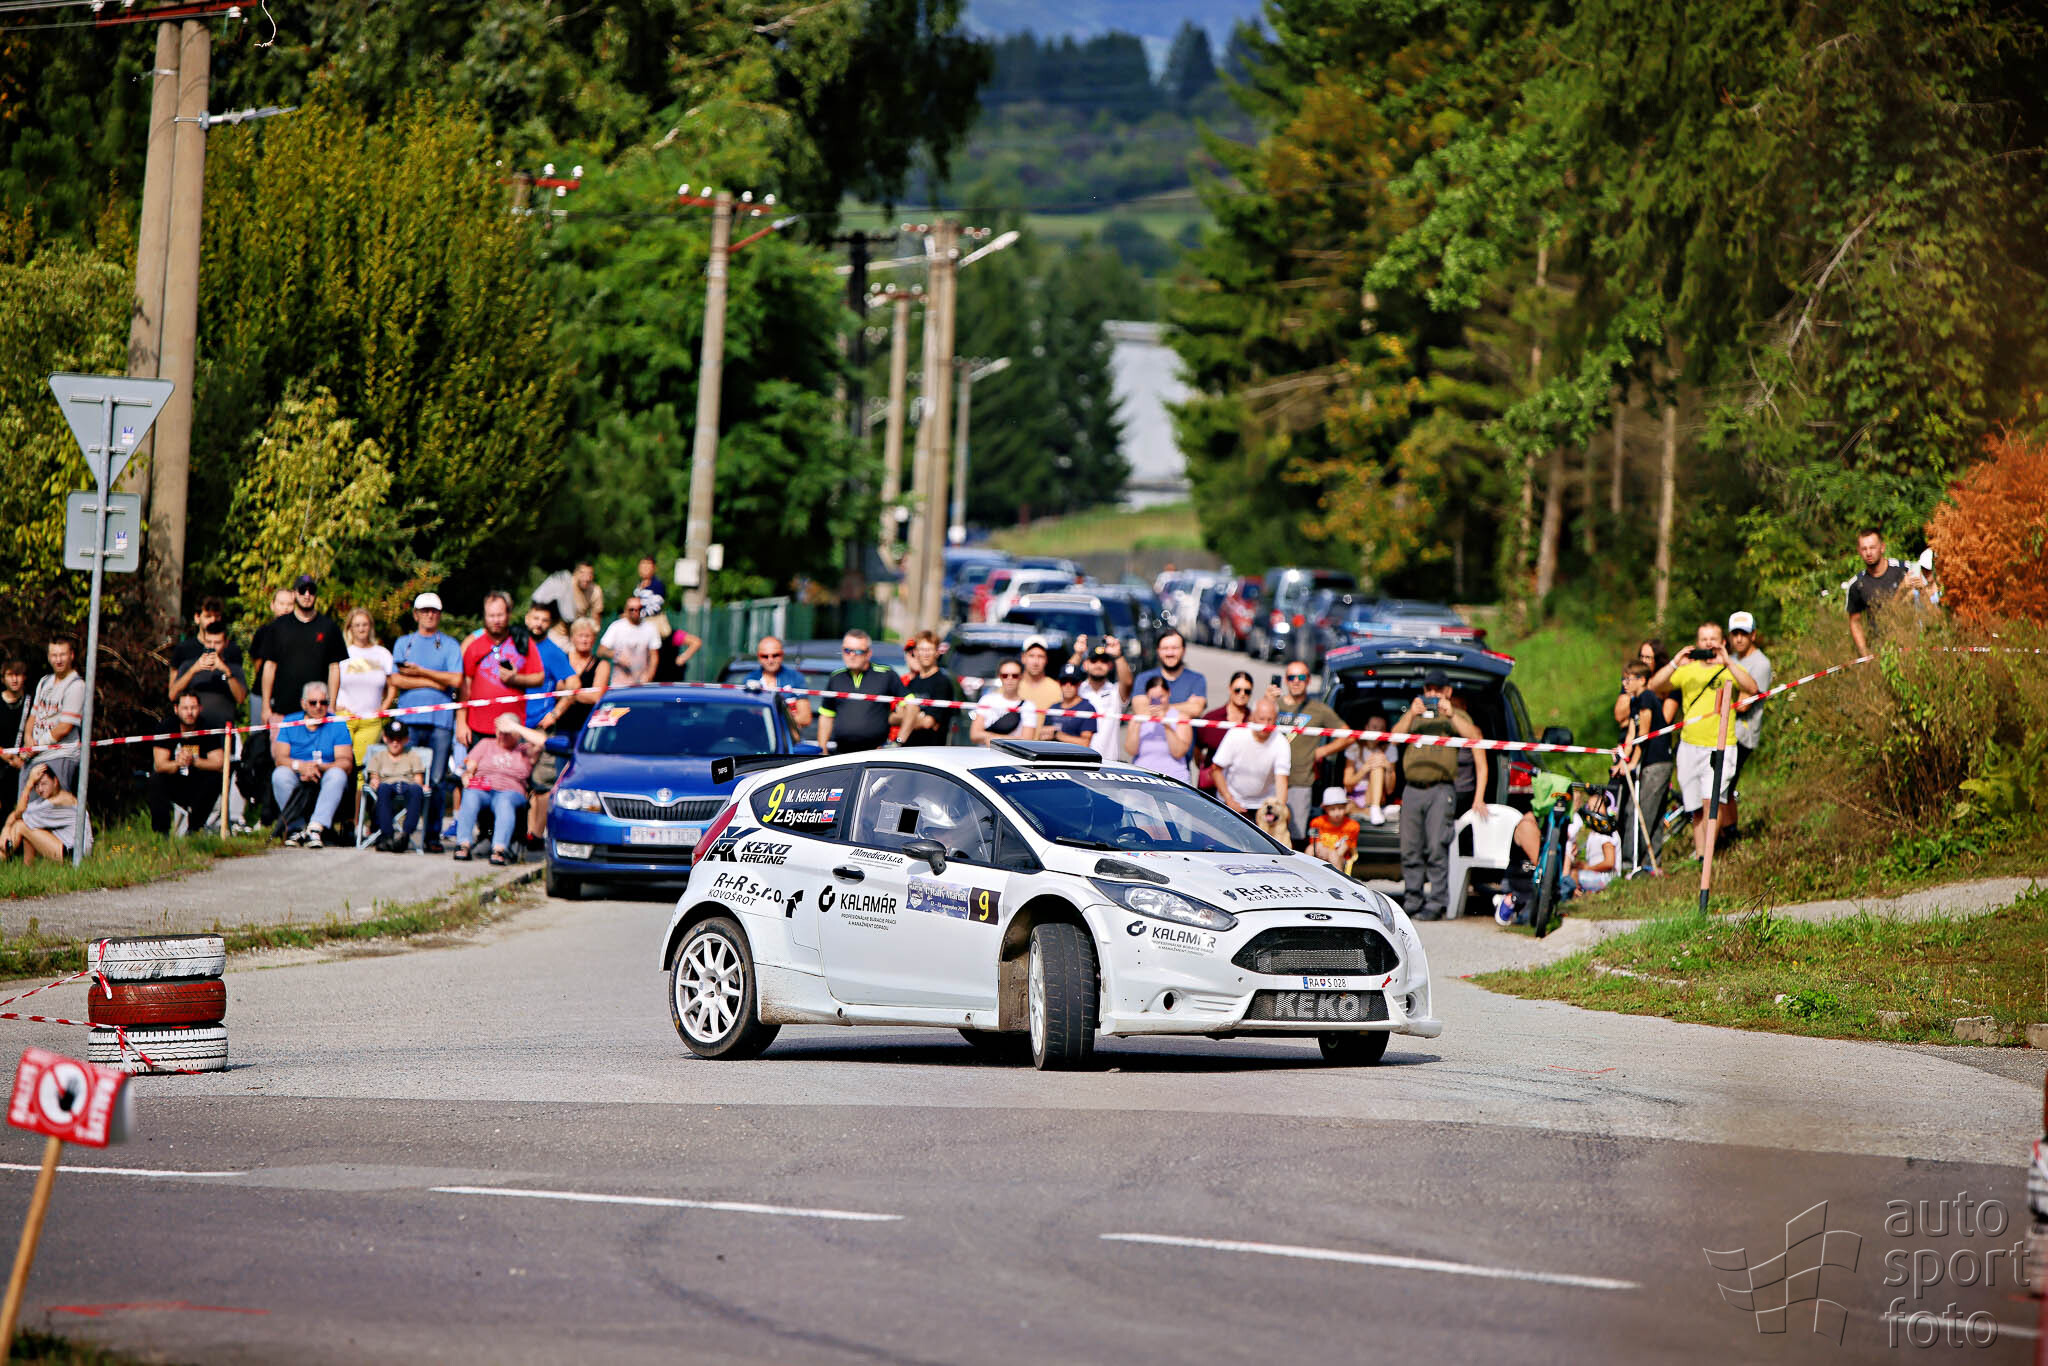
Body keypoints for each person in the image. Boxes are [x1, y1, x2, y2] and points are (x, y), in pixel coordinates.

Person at [1647, 621, 1760, 864]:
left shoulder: (1730, 669)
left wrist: (1728, 662)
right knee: (1695, 806)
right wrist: (1676, 661)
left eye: (1713, 638)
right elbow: (1654, 686)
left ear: (1722, 642)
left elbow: (1752, 688)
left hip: (1720, 745)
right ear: (1697, 643)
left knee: (1712, 801)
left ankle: (1708, 855)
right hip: (1689, 745)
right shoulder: (1688, 670)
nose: (1708, 643)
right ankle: (1701, 858)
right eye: (1703, 639)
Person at [1391, 668, 1488, 921]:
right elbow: (1393, 738)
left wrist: (1451, 714)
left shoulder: (1454, 715)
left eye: (1438, 689)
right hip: (1412, 789)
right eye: (1429, 689)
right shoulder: (1415, 714)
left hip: (1440, 789)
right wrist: (1410, 714)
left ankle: (1436, 902)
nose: (1432, 693)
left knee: (1437, 847)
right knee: (1410, 848)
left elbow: (1474, 736)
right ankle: (1412, 899)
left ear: (1448, 691)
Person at [386, 592, 464, 854]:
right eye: (425, 610)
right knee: (404, 776)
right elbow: (396, 680)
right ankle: (398, 832)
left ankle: (432, 836)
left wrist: (420, 672)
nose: (430, 615)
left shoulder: (450, 645)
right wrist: (435, 681)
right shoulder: (404, 643)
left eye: (434, 611)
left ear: (439, 615)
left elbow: (456, 680)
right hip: (408, 720)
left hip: (440, 722)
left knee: (438, 779)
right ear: (416, 614)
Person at [259, 575, 347, 745]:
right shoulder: (278, 627)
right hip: (283, 711)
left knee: (319, 758)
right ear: (294, 594)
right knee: (282, 759)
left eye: (311, 591)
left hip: (318, 712)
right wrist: (265, 706)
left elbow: (334, 668)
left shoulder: (329, 627)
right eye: (302, 590)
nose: (307, 595)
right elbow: (269, 667)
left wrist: (332, 705)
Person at [270, 681, 354, 846]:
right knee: (280, 774)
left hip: (326, 772)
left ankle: (316, 828)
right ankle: (296, 827)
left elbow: (346, 761)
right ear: (304, 704)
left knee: (338, 774)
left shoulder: (337, 723)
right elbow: (280, 758)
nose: (318, 707)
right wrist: (301, 767)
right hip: (297, 772)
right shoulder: (290, 722)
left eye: (323, 702)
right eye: (313, 702)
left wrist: (319, 767)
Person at [522, 601, 579, 843]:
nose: (539, 624)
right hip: (514, 725)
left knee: (542, 783)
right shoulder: (514, 645)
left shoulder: (552, 651)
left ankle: (535, 837)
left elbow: (574, 685)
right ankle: (514, 836)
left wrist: (555, 713)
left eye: (544, 620)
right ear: (527, 618)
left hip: (541, 727)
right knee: (514, 782)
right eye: (536, 618)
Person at [457, 592, 542, 753]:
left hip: (513, 728)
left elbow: (539, 677)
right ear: (484, 617)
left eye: (500, 615)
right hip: (478, 729)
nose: (496, 620)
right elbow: (464, 687)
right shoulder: (474, 646)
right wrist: (461, 723)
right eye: (491, 616)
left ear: (508, 614)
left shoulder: (522, 642)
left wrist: (516, 679)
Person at [454, 714, 544, 865]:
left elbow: (542, 741)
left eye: (506, 732)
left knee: (504, 802)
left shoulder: (524, 750)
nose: (502, 735)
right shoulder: (486, 744)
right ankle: (463, 844)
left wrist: (515, 727)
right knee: (470, 795)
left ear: (516, 733)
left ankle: (499, 849)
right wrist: (467, 774)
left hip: (511, 791)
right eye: (499, 731)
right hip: (484, 788)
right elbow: (471, 765)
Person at [1275, 662, 1349, 845]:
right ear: (1285, 680)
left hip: (1300, 781)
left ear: (1308, 680)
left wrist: (1323, 751)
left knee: (1295, 837)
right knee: (1267, 834)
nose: (1296, 681)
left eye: (1301, 677)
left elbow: (1347, 735)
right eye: (1291, 677)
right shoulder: (1274, 704)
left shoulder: (1319, 709)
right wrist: (1268, 699)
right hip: (1271, 782)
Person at [1614, 660, 1677, 872]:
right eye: (1623, 679)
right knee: (1648, 812)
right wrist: (1623, 761)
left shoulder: (1647, 698)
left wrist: (1633, 763)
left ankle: (1630, 863)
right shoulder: (1635, 701)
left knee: (1641, 812)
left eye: (1628, 679)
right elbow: (1631, 735)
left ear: (1641, 680)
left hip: (1657, 762)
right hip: (1648, 762)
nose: (1624, 683)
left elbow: (1643, 734)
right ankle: (1651, 863)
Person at [8, 638, 86, 804]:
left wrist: (38, 745)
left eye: (62, 655)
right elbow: (33, 716)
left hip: (59, 756)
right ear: (49, 657)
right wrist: (28, 738)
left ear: (71, 656)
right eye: (54, 655)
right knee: (25, 809)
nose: (58, 660)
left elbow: (64, 727)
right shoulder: (45, 682)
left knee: (50, 810)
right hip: (34, 756)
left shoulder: (76, 685)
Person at [818, 631, 917, 753]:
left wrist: (898, 741)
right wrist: (822, 749)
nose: (852, 655)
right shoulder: (836, 677)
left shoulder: (886, 674)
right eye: (847, 650)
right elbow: (826, 716)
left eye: (858, 651)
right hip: (842, 753)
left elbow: (913, 706)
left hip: (876, 753)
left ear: (869, 653)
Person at [1722, 610, 1773, 843]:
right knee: (1723, 785)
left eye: (1744, 633)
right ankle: (1726, 833)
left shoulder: (1761, 663)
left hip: (1743, 734)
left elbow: (1743, 704)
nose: (1739, 639)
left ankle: (1729, 834)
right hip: (1725, 731)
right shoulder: (1732, 660)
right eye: (1735, 634)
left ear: (1753, 635)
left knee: (1726, 784)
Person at [147, 690, 224, 835]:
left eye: (193, 708)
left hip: (198, 781)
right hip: (174, 781)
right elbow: (160, 764)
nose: (189, 712)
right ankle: (161, 833)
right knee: (156, 779)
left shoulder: (207, 727)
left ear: (200, 709)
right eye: (185, 708)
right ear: (176, 709)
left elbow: (219, 762)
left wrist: (194, 761)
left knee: (216, 779)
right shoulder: (166, 727)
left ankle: (194, 829)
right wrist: (178, 763)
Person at [1212, 697, 1290, 839]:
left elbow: (1282, 780)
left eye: (1270, 720)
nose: (1266, 724)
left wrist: (1280, 809)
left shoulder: (1281, 742)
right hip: (1231, 801)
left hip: (1263, 807)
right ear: (1252, 717)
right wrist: (1229, 800)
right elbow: (1216, 770)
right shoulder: (1236, 734)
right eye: (1261, 719)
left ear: (1276, 719)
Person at [167, 598, 248, 734]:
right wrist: (194, 670)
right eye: (209, 642)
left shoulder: (233, 668)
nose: (212, 647)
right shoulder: (189, 664)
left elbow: (240, 698)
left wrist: (226, 671)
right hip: (194, 732)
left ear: (225, 643)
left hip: (223, 731)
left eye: (217, 643)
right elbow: (172, 695)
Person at [535, 617, 611, 740]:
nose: (584, 640)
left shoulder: (601, 665)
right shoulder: (562, 659)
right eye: (580, 635)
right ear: (572, 638)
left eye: (588, 636)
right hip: (560, 725)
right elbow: (555, 690)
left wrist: (568, 692)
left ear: (594, 639)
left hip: (587, 726)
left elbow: (595, 697)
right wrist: (579, 693)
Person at [335, 607, 394, 764]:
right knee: (342, 763)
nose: (361, 629)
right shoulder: (341, 652)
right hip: (344, 717)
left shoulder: (382, 653)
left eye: (365, 624)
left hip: (371, 719)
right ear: (350, 628)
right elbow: (330, 681)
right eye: (357, 625)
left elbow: (393, 685)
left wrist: (384, 707)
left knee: (362, 766)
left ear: (370, 627)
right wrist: (332, 704)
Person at [364, 719, 429, 852]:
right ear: (385, 738)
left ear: (406, 740)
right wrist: (374, 781)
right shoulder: (379, 756)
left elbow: (418, 778)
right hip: (387, 784)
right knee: (382, 789)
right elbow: (374, 776)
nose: (395, 742)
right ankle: (387, 835)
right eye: (391, 738)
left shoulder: (412, 755)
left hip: (408, 784)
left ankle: (406, 834)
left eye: (399, 739)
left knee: (417, 790)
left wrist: (421, 786)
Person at [1846, 527, 1908, 657]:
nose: (1868, 553)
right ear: (1859, 551)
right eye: (1864, 549)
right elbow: (1855, 622)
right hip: (1881, 649)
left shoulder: (1903, 569)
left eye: (1872, 547)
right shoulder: (1856, 585)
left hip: (1911, 641)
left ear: (1882, 547)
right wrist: (1865, 654)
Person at [244, 585, 297, 731]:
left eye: (290, 604)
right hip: (261, 696)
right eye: (281, 603)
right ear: (272, 605)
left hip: (290, 697)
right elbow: (258, 665)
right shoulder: (263, 632)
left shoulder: (300, 632)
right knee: (259, 737)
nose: (285, 608)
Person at [0, 766, 77, 865]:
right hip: (70, 850)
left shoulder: (56, 802)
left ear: (55, 781)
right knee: (28, 826)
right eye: (36, 785)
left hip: (74, 855)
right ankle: (27, 869)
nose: (40, 789)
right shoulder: (49, 800)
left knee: (21, 826)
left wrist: (28, 785)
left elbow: (19, 813)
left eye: (44, 784)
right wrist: (6, 828)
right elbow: (16, 813)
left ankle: (3, 856)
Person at [1195, 670, 1256, 792]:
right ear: (1230, 689)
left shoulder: (1254, 721)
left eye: (1247, 691)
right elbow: (1197, 748)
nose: (1242, 694)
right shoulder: (1212, 718)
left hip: (1241, 789)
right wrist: (1206, 768)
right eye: (1237, 690)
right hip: (1211, 788)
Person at [1122, 675, 1193, 779]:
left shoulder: (1180, 717)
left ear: (1169, 693)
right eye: (1153, 698)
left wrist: (1166, 723)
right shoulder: (1138, 718)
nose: (1158, 702)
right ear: (1147, 696)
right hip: (1142, 777)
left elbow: (1178, 752)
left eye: (1161, 697)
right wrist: (1138, 723)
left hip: (1174, 778)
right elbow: (1131, 750)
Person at [743, 635, 814, 733]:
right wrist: (787, 717)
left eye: (775, 655)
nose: (770, 660)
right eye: (765, 656)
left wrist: (767, 718)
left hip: (785, 739)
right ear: (758, 657)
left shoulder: (796, 678)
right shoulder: (749, 679)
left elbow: (805, 718)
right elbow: (746, 716)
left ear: (782, 655)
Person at [1130, 630, 1208, 719]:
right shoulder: (1144, 678)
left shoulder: (1197, 679)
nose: (1170, 653)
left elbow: (1196, 709)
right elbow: (1140, 710)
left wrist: (1160, 707)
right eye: (1165, 648)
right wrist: (1184, 707)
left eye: (1175, 648)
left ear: (1184, 650)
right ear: (1158, 651)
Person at [900, 631, 958, 747]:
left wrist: (908, 718)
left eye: (929, 649)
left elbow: (928, 722)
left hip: (931, 750)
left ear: (937, 652)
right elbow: (893, 717)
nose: (925, 654)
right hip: (908, 748)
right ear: (915, 652)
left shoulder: (942, 683)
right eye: (922, 649)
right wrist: (917, 716)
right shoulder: (911, 683)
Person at [599, 591, 663, 688]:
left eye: (639, 609)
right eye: (631, 609)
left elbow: (654, 656)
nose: (635, 612)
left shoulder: (650, 628)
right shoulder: (616, 627)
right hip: (619, 684)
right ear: (626, 610)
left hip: (641, 683)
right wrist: (617, 655)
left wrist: (649, 676)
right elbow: (601, 651)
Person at [1076, 645, 1128, 763]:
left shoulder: (1116, 691)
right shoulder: (1076, 690)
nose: (1098, 665)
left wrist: (1118, 656)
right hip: (1077, 760)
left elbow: (1128, 682)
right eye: (1094, 661)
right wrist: (1078, 654)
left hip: (1108, 763)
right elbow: (1066, 676)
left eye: (1103, 661)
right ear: (1085, 664)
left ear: (1110, 665)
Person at [970, 661, 1038, 746]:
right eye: (1005, 675)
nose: (1010, 679)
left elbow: (1027, 740)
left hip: (1011, 754)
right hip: (984, 753)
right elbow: (974, 735)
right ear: (1000, 677)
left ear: (1021, 677)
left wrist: (994, 739)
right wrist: (1010, 739)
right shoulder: (986, 700)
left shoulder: (1028, 706)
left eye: (1015, 676)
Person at [1343, 716, 1395, 825]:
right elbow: (1347, 783)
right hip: (1354, 795)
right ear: (1366, 727)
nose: (1378, 732)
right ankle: (1373, 812)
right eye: (1374, 727)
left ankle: (1374, 808)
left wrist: (1388, 768)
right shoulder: (1354, 748)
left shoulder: (1389, 749)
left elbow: (1390, 790)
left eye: (1381, 729)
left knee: (1377, 767)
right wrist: (1365, 769)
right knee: (1345, 807)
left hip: (1376, 797)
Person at [532, 560, 604, 629]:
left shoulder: (595, 590)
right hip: (557, 626)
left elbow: (596, 618)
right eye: (582, 573)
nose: (586, 578)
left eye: (590, 574)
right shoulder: (564, 583)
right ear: (575, 573)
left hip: (577, 628)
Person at [1574, 792, 1621, 895]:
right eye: (1590, 807)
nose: (1592, 811)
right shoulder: (1594, 833)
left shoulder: (1606, 833)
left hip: (1607, 878)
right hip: (1596, 874)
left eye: (1596, 807)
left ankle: (1576, 894)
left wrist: (1588, 868)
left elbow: (1609, 863)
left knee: (1573, 875)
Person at [1306, 787, 1361, 873]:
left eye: (1340, 808)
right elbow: (1315, 843)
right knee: (1310, 849)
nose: (1337, 813)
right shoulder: (1317, 822)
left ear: (1345, 807)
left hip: (1340, 858)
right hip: (1320, 853)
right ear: (1325, 809)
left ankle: (1338, 878)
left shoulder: (1352, 825)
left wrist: (1329, 854)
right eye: (1332, 809)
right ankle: (1307, 874)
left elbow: (1344, 848)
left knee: (1333, 855)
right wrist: (1324, 853)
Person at [1047, 663, 1098, 746]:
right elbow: (1042, 734)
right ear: (1059, 683)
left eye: (1073, 682)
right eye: (1064, 682)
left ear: (1079, 684)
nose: (1068, 686)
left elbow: (1085, 743)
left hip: (1074, 754)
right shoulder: (1053, 707)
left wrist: (1057, 734)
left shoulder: (1087, 708)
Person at [0, 659, 25, 814]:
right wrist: (4, 755)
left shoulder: (30, 702)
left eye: (18, 674)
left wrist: (22, 758)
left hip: (20, 766)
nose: (14, 679)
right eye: (10, 675)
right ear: (3, 678)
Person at [1015, 639, 1062, 712]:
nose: (1035, 662)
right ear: (1023, 658)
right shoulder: (1010, 686)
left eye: (1040, 656)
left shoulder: (1057, 689)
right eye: (1031, 656)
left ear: (1046, 659)